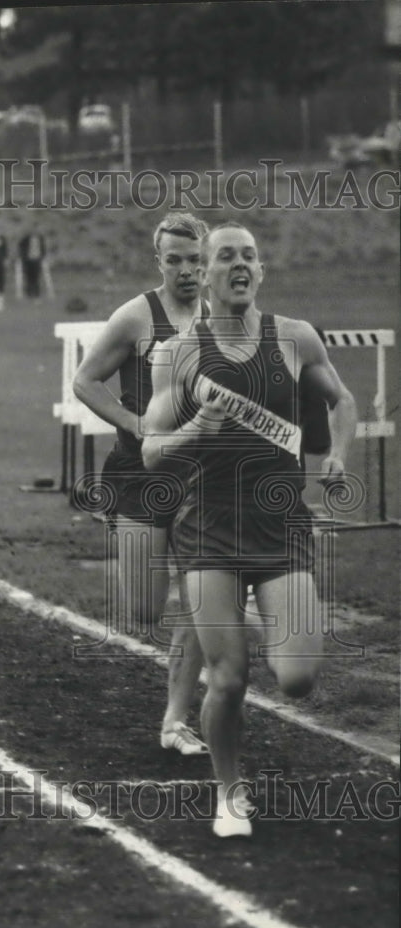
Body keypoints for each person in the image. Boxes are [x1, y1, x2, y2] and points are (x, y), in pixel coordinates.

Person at [142, 221, 357, 836]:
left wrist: (338, 454)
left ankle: (236, 664)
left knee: (297, 678)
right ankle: (230, 791)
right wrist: (195, 431)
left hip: (282, 529)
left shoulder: (294, 339)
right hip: (208, 532)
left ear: (260, 273)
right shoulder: (179, 353)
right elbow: (153, 450)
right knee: (231, 677)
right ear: (204, 274)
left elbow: (341, 402)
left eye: (250, 257)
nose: (240, 264)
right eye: (226, 256)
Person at [73, 212, 211, 756]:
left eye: (194, 260)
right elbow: (85, 381)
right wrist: (133, 423)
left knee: (205, 597)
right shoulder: (136, 317)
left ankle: (176, 720)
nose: (185, 271)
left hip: (203, 479)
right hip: (140, 475)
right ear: (159, 262)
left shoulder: (224, 318)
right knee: (147, 611)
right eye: (174, 260)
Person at [17, 224, 46, 299]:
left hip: (37, 259)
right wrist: (23, 255)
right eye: (32, 230)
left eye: (35, 229)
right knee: (28, 276)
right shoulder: (26, 238)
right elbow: (20, 246)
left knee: (36, 276)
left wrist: (42, 256)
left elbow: (43, 247)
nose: (34, 231)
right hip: (28, 260)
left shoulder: (40, 238)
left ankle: (36, 292)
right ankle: (29, 292)